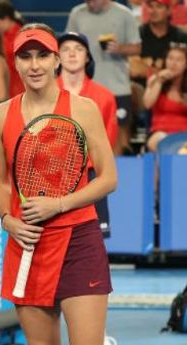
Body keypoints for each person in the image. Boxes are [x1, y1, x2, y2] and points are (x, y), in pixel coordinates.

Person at [0, 23, 117, 345]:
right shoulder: (1, 115)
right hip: (28, 244)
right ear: (16, 63)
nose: (35, 64)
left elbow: (108, 178)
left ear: (57, 59)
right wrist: (7, 219)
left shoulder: (83, 109)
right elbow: (2, 182)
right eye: (25, 57)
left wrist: (60, 204)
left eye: (42, 55)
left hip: (78, 240)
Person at [57, 32, 118, 238]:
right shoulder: (43, 93)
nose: (72, 54)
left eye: (79, 49)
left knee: (94, 240)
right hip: (53, 176)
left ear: (88, 57)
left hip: (92, 178)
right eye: (65, 49)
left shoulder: (105, 97)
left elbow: (108, 140)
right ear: (57, 57)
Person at [66, 0, 141, 155]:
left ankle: (117, 178)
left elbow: (137, 47)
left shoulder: (124, 14)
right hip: (84, 89)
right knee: (81, 138)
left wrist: (121, 48)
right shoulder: (77, 14)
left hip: (117, 88)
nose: (90, 3)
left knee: (120, 140)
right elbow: (68, 44)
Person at [142, 43, 187, 151]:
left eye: (179, 60)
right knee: (162, 140)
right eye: (170, 58)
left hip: (184, 134)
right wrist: (160, 82)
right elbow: (147, 104)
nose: (173, 64)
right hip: (158, 133)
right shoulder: (154, 80)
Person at [0, 0, 24, 97]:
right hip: (10, 88)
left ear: (7, 19)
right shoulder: (1, 37)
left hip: (19, 90)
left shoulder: (21, 36)